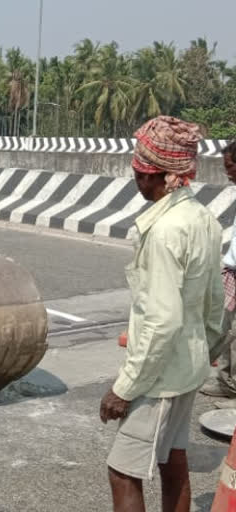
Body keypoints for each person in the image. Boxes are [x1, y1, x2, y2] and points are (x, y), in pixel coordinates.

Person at [100, 116, 224, 511]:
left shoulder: (166, 230)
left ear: (154, 175)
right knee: (172, 459)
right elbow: (215, 303)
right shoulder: (203, 218)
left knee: (123, 471)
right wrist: (204, 353)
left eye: (139, 170)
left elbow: (161, 320)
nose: (136, 176)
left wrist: (125, 387)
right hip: (187, 367)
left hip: (159, 377)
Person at [199, 140, 236, 404]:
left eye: (230, 166)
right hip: (231, 269)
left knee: (225, 329)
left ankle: (230, 385)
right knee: (221, 326)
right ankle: (227, 381)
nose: (227, 172)